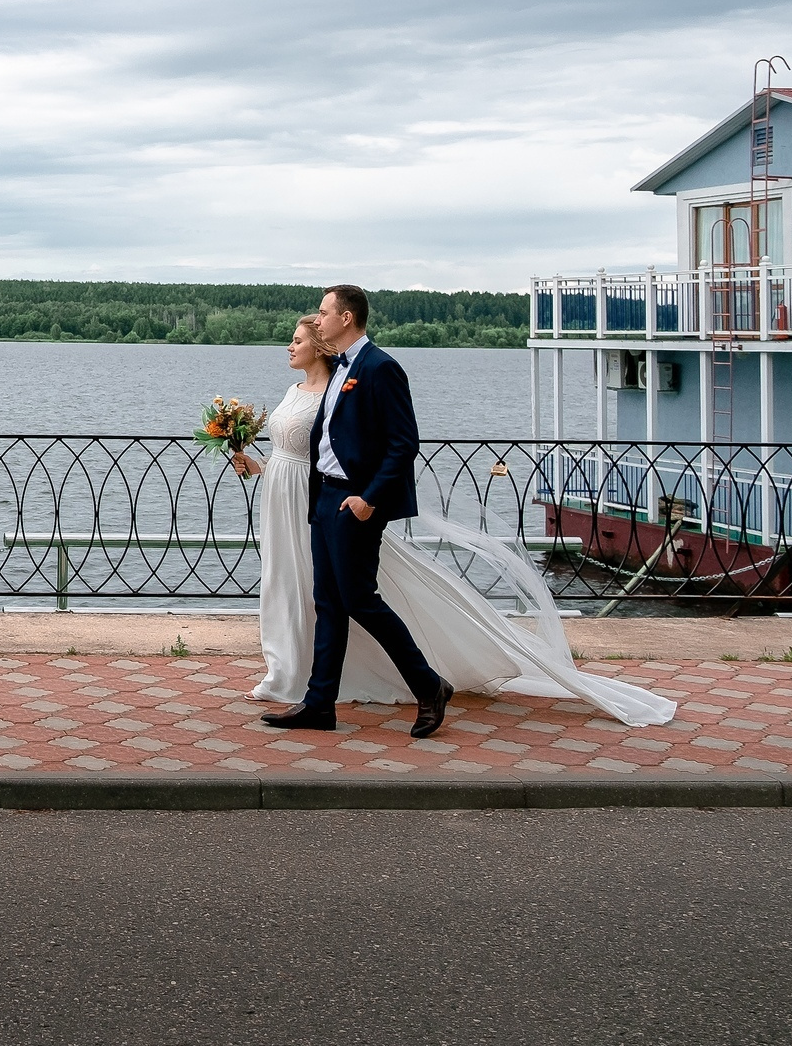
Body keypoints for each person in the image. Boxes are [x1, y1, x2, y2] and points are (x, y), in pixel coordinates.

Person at [231, 286, 676, 732]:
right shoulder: (341, 370)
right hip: (324, 496)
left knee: (360, 601)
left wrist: (369, 500)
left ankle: (428, 686)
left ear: (347, 318)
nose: (319, 319)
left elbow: (403, 445)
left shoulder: (380, 367)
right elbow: (328, 439)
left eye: (325, 313)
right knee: (328, 602)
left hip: (355, 502)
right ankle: (320, 704)